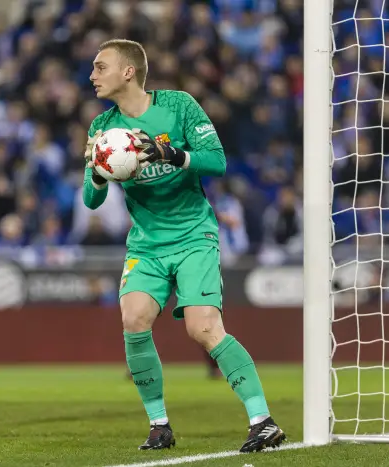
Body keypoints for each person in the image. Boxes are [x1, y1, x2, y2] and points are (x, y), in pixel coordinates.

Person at [83, 39, 285, 453]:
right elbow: (91, 200)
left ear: (128, 72)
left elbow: (216, 161)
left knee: (203, 327)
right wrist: (99, 174)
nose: (92, 75)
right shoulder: (102, 128)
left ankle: (263, 420)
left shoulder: (178, 107)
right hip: (146, 244)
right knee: (134, 318)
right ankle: (159, 425)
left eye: (101, 67)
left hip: (194, 234)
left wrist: (170, 153)